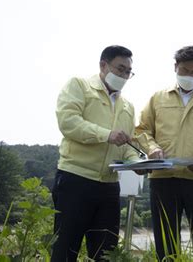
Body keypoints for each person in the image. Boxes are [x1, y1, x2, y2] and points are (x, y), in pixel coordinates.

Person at [136, 46, 193, 262]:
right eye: (184, 70)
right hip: (162, 180)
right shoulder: (157, 99)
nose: (189, 76)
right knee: (166, 244)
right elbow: (141, 129)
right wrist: (151, 148)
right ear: (175, 68)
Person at [52, 45, 142, 261]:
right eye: (120, 69)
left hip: (109, 187)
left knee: (106, 252)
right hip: (76, 180)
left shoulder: (127, 106)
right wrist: (106, 134)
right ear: (103, 65)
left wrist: (137, 163)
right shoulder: (79, 86)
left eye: (128, 72)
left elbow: (127, 144)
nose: (124, 75)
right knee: (65, 248)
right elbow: (69, 122)